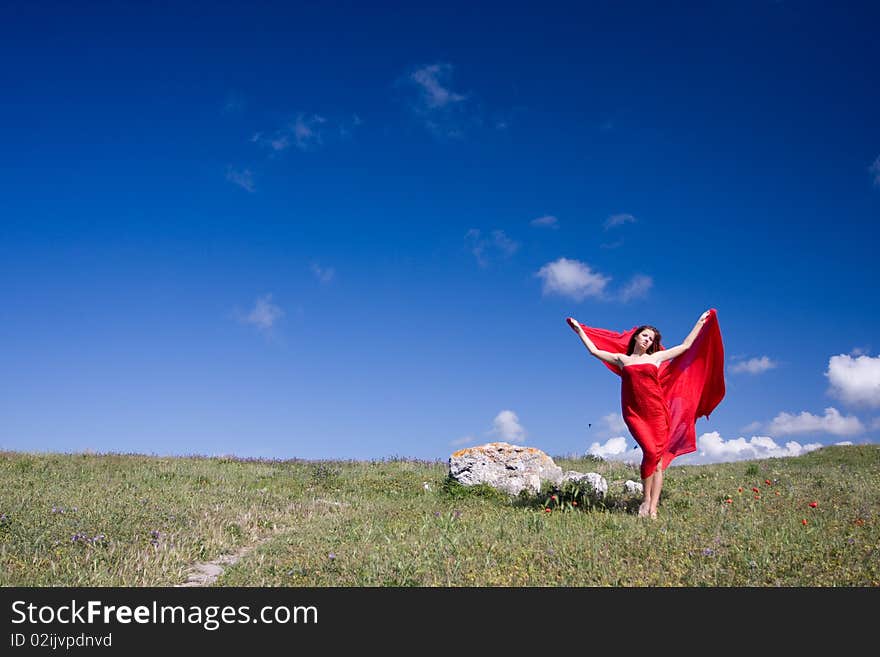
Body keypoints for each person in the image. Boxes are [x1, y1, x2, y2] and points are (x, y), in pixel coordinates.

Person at [566, 310, 725, 519]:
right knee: (651, 452)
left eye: (651, 339)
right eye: (644, 336)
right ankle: (646, 500)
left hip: (657, 413)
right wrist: (579, 331)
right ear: (636, 337)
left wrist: (700, 323)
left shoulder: (656, 358)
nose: (647, 340)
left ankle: (653, 507)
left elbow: (685, 347)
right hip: (634, 414)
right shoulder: (622, 359)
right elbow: (594, 351)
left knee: (656, 460)